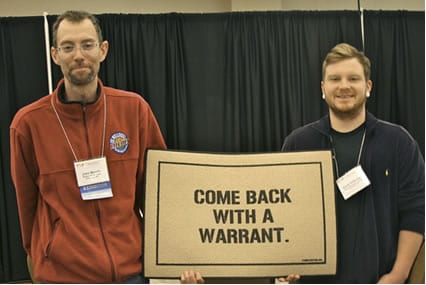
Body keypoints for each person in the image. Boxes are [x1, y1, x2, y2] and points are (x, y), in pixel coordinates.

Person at [9, 10, 167, 283]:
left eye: (87, 44)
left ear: (103, 50)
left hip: (130, 274)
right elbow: (27, 207)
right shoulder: (28, 124)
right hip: (63, 276)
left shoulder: (134, 110)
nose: (78, 55)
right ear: (55, 55)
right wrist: (37, 259)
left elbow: (159, 194)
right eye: (68, 47)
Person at [279, 43, 424, 283]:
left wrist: (398, 274)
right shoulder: (298, 143)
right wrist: (285, 266)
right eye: (335, 79)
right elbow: (281, 212)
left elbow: (416, 212)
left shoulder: (399, 142)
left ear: (368, 87)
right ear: (323, 88)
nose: (344, 86)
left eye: (353, 78)